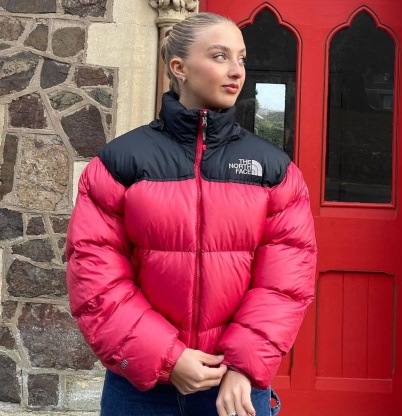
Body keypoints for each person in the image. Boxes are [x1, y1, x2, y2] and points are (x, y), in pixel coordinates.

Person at [66, 12, 317, 416]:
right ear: (179, 67)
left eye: (241, 58)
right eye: (219, 56)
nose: (236, 70)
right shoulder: (119, 162)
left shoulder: (274, 170)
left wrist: (244, 366)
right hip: (142, 390)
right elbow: (95, 277)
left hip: (233, 389)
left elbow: (285, 283)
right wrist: (167, 357)